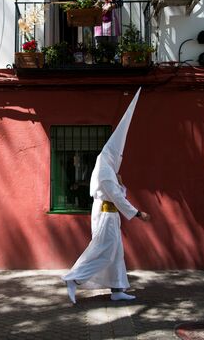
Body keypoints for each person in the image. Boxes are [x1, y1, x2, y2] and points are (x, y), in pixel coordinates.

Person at [62, 88, 151, 304]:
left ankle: (117, 289)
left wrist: (121, 185)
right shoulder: (105, 169)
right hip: (105, 215)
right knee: (104, 250)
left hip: (109, 215)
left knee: (115, 253)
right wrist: (137, 213)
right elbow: (117, 197)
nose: (120, 156)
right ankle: (74, 278)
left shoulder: (107, 169)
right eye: (119, 154)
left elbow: (117, 192)